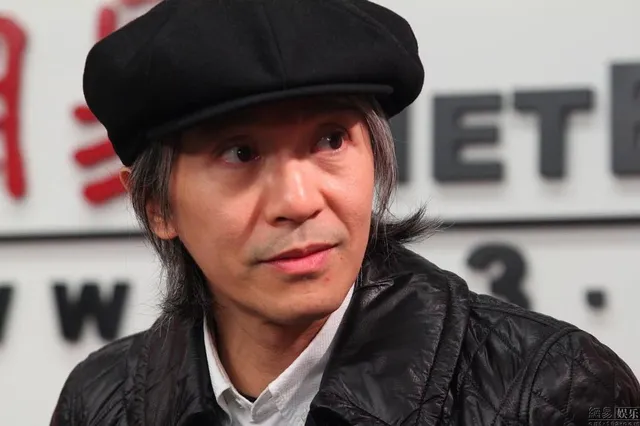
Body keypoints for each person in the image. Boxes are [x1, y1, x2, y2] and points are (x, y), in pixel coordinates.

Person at [51, 0, 640, 425]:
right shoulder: (104, 399)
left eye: (331, 140)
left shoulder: (553, 388)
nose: (299, 200)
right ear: (156, 205)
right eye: (240, 153)